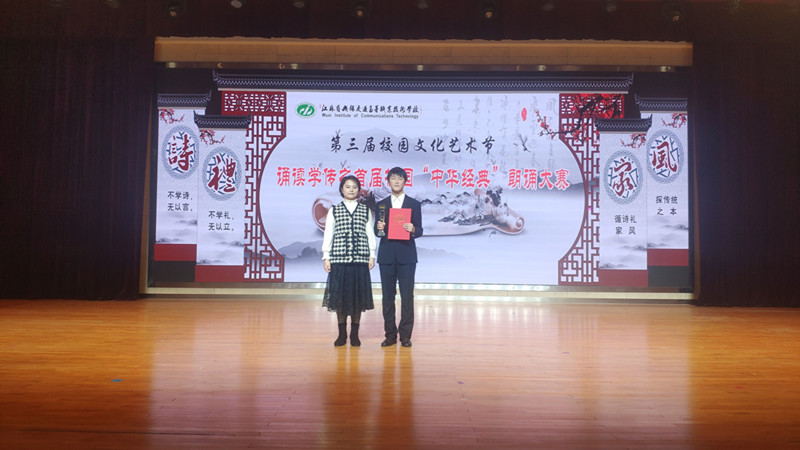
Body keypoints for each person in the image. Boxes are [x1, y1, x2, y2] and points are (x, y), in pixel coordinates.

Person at [322, 175, 376, 347]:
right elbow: (329, 233)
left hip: (360, 259)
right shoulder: (334, 210)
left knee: (357, 299)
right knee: (340, 298)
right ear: (341, 189)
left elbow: (369, 233)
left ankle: (354, 334)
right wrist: (326, 256)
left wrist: (372, 254)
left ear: (358, 190)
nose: (351, 189)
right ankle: (341, 334)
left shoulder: (365, 210)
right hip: (339, 259)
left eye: (354, 187)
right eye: (347, 186)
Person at [375, 167, 423, 348]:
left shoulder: (414, 204)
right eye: (393, 178)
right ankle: (390, 335)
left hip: (407, 256)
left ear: (405, 181)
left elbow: (420, 230)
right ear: (388, 182)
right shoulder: (381, 204)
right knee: (387, 297)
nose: (396, 181)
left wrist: (413, 229)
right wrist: (379, 228)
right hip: (386, 256)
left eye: (400, 178)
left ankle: (405, 336)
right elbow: (377, 232)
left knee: (407, 296)